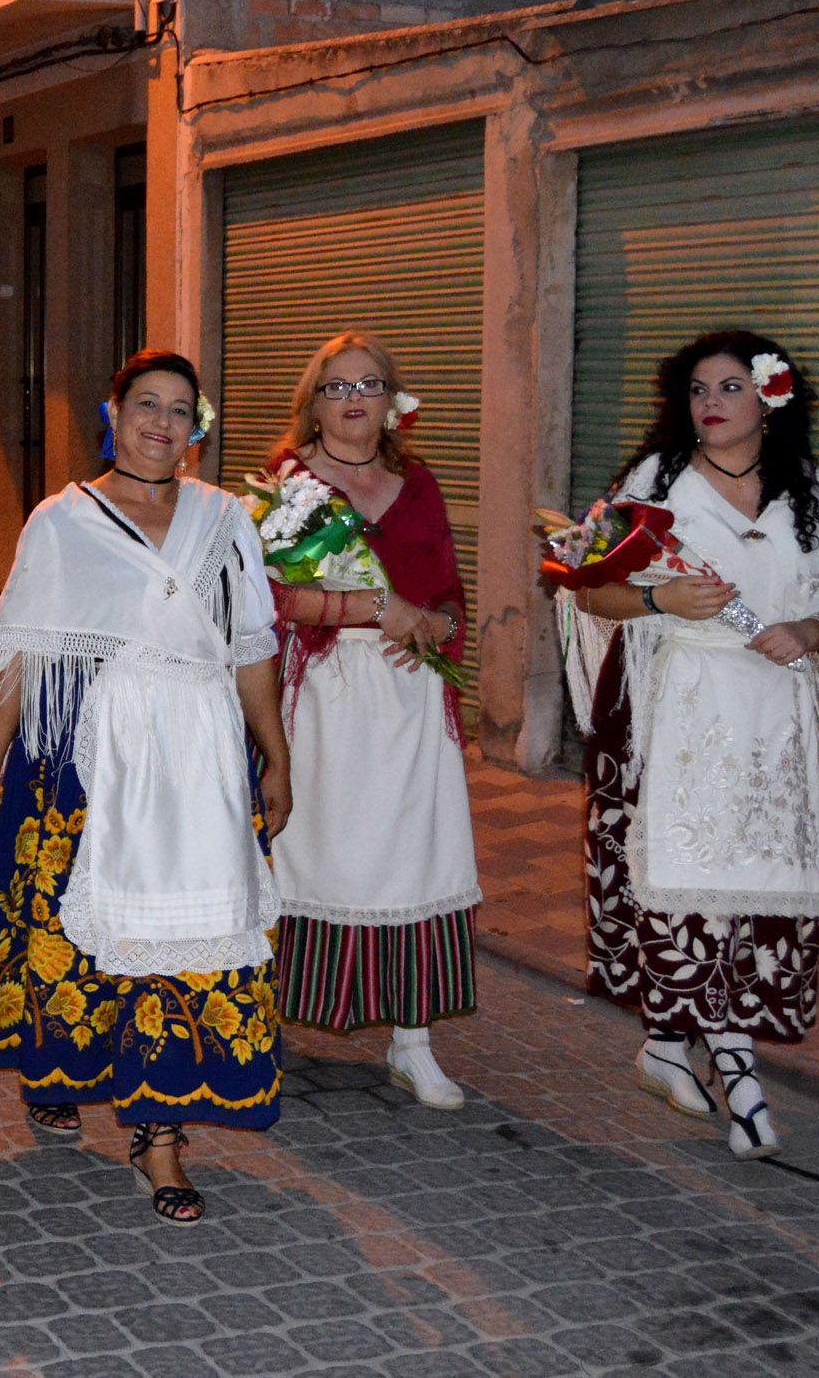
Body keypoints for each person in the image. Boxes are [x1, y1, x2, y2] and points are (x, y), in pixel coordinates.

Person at [568, 330, 819, 1161]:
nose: (711, 404)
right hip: (674, 710)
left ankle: (668, 1047)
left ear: (770, 399)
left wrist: (809, 628)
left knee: (755, 883)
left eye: (731, 387)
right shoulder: (655, 483)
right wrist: (664, 600)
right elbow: (594, 590)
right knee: (686, 884)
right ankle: (736, 1067)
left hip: (772, 716)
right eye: (699, 388)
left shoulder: (806, 487)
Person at [0, 348, 292, 1227]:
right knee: (72, 942)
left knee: (185, 940)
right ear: (113, 412)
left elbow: (251, 648)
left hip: (199, 760)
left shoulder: (225, 522)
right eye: (147, 404)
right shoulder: (61, 521)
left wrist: (277, 757)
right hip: (84, 760)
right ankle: (64, 1069)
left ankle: (158, 1134)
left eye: (182, 410)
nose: (162, 423)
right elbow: (22, 656)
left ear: (198, 427)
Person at [261, 332, 481, 1109]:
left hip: (412, 697)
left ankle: (412, 1039)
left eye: (371, 384)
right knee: (312, 853)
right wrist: (380, 609)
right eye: (337, 386)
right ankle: (264, 1026)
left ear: (393, 400)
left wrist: (441, 629)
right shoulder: (287, 487)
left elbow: (450, 586)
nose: (355, 399)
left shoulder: (416, 481)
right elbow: (271, 598)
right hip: (323, 693)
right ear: (312, 403)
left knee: (418, 852)